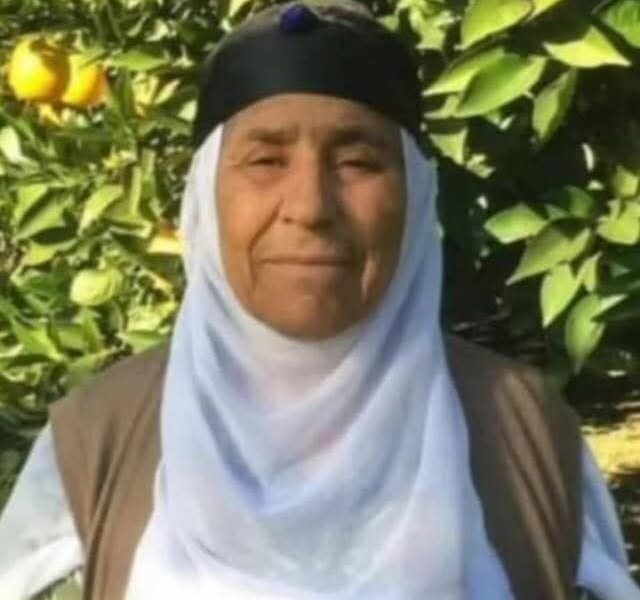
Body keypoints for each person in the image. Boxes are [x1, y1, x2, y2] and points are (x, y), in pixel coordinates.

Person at [0, 1, 639, 599]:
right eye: (265, 161)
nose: (309, 207)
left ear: (415, 199)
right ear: (204, 199)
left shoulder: (526, 430)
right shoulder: (99, 435)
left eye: (357, 162)